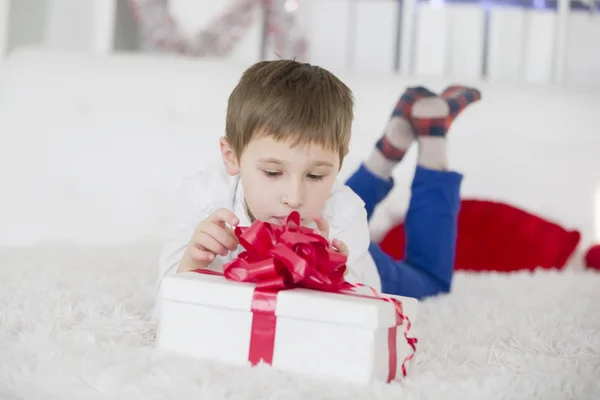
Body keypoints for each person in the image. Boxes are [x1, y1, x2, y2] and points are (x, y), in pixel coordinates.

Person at [156, 59, 480, 306]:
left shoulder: (345, 214)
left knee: (431, 279)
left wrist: (323, 269)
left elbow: (346, 318)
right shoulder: (199, 199)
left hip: (362, 259)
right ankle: (390, 146)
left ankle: (433, 136)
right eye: (272, 173)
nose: (293, 198)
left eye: (316, 174)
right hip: (335, 211)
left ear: (339, 163)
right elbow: (164, 312)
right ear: (231, 157)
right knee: (330, 199)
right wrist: (193, 263)